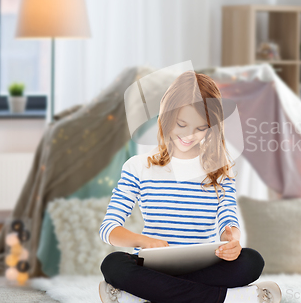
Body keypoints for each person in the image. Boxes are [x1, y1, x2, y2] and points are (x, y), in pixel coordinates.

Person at [98, 71, 281, 303]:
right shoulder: (138, 166)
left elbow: (228, 218)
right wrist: (144, 242)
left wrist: (232, 238)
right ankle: (229, 299)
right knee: (113, 265)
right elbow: (109, 229)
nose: (188, 135)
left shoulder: (221, 169)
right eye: (181, 124)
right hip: (154, 267)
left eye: (201, 128)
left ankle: (140, 297)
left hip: (202, 267)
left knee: (251, 261)